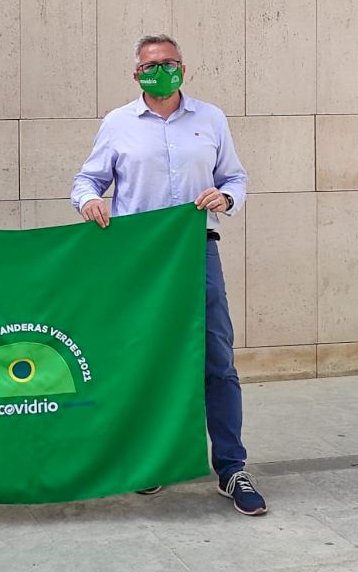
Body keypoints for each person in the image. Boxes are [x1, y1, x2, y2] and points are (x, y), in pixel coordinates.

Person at [70, 34, 266, 516]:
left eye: (170, 63)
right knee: (144, 357)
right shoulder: (118, 123)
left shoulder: (210, 119)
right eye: (152, 65)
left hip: (197, 252)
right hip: (139, 260)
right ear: (136, 73)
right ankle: (149, 459)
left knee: (217, 359)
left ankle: (232, 467)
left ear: (183, 68)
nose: (162, 71)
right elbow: (87, 180)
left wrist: (226, 197)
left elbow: (235, 177)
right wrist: (89, 201)